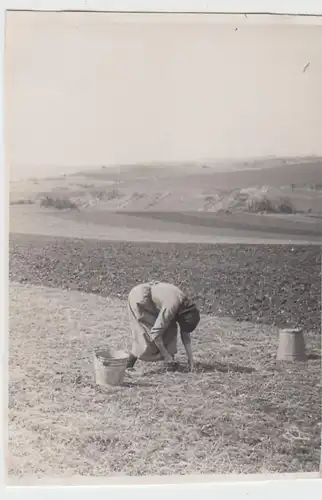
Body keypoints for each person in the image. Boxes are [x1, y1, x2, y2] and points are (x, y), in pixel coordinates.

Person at [126, 281, 200, 372]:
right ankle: (128, 364)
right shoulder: (172, 306)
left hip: (152, 301)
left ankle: (169, 364)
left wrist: (191, 360)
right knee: (147, 334)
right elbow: (155, 334)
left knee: (171, 330)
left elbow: (185, 334)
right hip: (140, 299)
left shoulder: (185, 307)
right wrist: (166, 355)